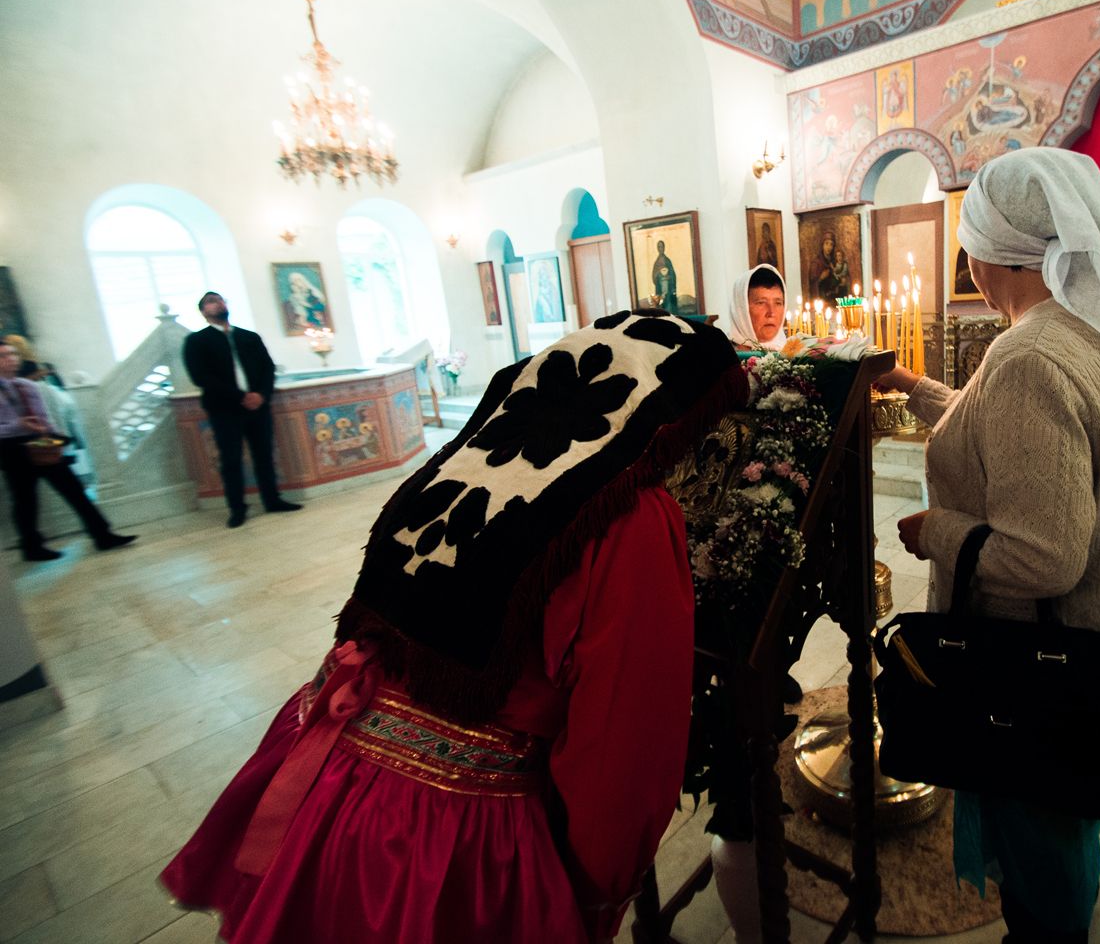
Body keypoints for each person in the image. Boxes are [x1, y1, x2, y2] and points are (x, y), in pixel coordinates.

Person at [160, 312, 747, 944]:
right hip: (440, 837)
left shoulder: (466, 459)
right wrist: (598, 892)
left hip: (328, 782)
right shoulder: (630, 517)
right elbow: (622, 753)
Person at [879, 147, 1100, 942]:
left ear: (992, 254)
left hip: (1042, 660)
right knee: (1072, 798)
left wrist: (936, 532)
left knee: (1040, 832)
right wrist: (913, 388)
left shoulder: (1029, 356)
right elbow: (1011, 439)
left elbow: (1043, 558)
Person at [0, 344, 135, 560]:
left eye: (12, 354)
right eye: (3, 356)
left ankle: (102, 534)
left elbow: (44, 416)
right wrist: (19, 426)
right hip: (11, 449)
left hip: (41, 443)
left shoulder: (27, 386)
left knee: (74, 490)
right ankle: (31, 547)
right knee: (25, 499)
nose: (11, 359)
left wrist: (53, 435)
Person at [182, 292, 302, 528]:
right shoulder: (197, 341)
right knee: (231, 459)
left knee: (264, 455)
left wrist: (261, 395)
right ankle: (237, 508)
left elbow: (267, 368)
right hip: (225, 409)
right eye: (211, 302)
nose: (218, 304)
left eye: (220, 300)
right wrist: (241, 397)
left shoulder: (249, 337)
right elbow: (201, 377)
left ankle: (272, 500)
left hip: (258, 406)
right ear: (203, 312)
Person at [727, 264, 788, 351]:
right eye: (761, 303)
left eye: (778, 303)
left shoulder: (794, 354)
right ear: (741, 310)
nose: (771, 313)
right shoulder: (721, 355)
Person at [651, 240, 679, 313]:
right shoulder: (656, 263)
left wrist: (669, 278)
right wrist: (659, 275)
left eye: (661, 247)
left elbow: (673, 274)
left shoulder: (668, 261)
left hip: (668, 288)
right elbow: (654, 276)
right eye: (659, 247)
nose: (660, 249)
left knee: (669, 307)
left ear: (664, 248)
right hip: (660, 288)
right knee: (661, 308)